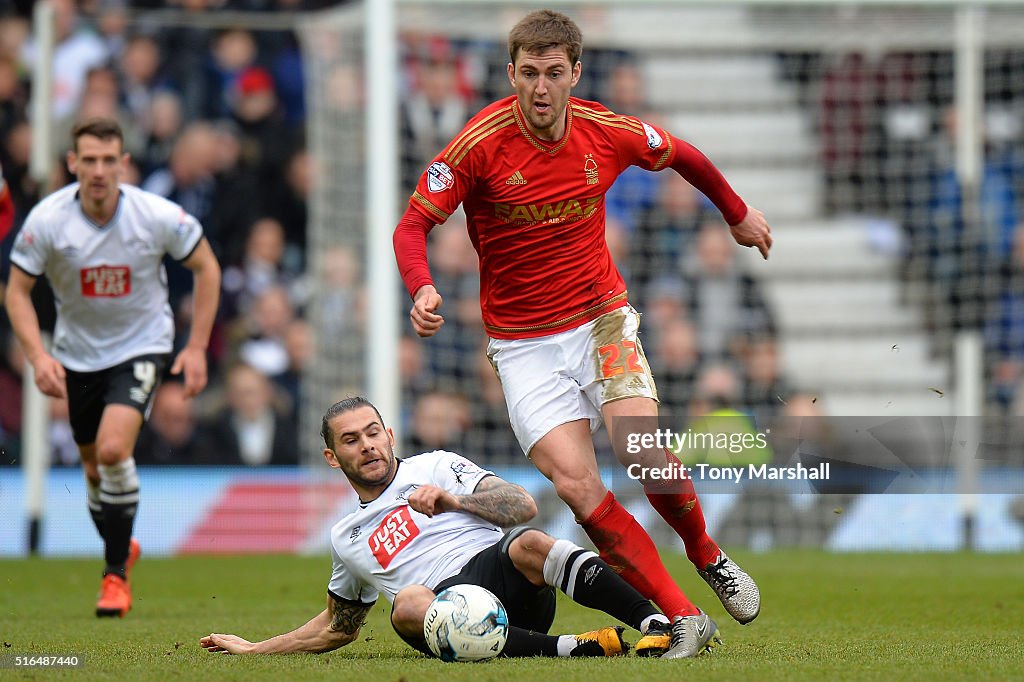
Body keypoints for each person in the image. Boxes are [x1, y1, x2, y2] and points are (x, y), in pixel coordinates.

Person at [393, 10, 769, 653]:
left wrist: (737, 214)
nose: (541, 87)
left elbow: (684, 154)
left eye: (555, 73)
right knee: (577, 487)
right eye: (530, 73)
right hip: (522, 346)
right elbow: (411, 226)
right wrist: (422, 287)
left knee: (645, 453)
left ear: (575, 74)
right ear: (512, 73)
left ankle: (706, 553)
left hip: (601, 321)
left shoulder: (605, 131)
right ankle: (682, 617)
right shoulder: (477, 145)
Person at [200, 397, 714, 659]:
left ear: (390, 433)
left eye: (374, 432)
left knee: (530, 544)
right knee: (405, 605)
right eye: (352, 440)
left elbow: (521, 506)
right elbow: (339, 626)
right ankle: (578, 647)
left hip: (504, 576)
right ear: (334, 459)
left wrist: (454, 501)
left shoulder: (436, 466)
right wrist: (254, 648)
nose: (368, 446)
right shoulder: (346, 537)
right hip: (443, 607)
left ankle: (655, 624)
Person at [4, 118, 221, 618]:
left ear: (123, 165)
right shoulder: (48, 221)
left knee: (111, 449)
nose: (99, 170)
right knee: (93, 471)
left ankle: (114, 576)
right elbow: (16, 291)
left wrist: (195, 347)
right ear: (72, 163)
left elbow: (206, 265)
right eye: (90, 160)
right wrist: (39, 355)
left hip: (142, 347)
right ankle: (123, 546)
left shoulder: (156, 215)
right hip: (78, 355)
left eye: (109, 160)